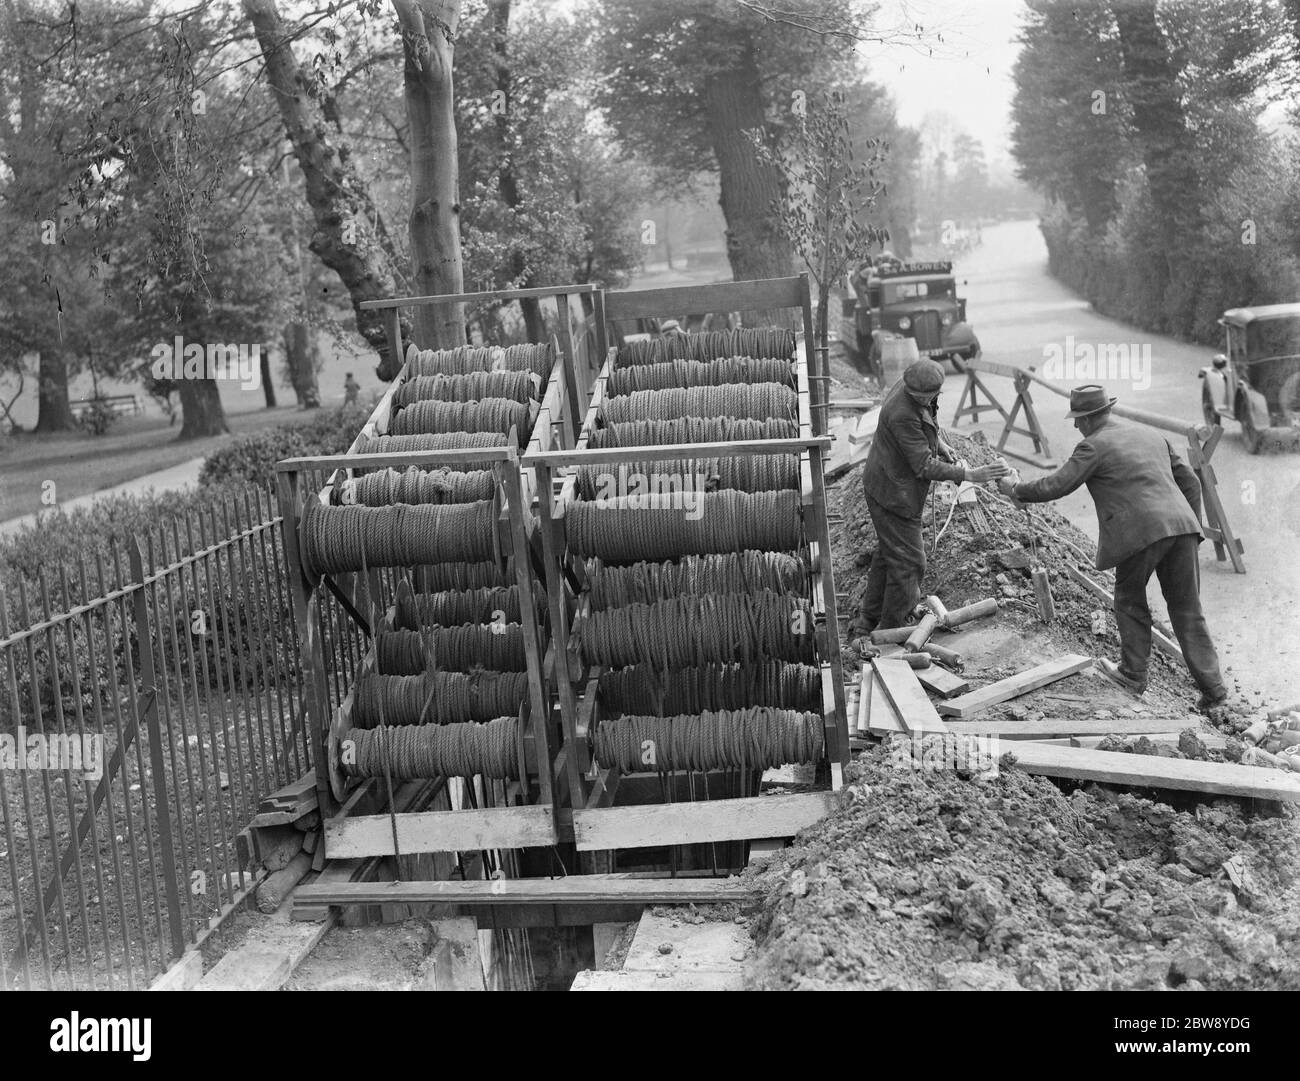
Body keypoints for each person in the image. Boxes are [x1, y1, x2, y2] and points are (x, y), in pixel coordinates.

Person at [997, 384, 1228, 715]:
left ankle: (1133, 676)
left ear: (1088, 419)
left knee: (1130, 600)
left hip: (1140, 532)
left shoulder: (1092, 446)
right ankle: (1215, 691)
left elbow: (1057, 485)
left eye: (1078, 419)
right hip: (1183, 528)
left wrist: (1015, 488)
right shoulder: (1150, 436)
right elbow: (1190, 482)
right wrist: (1189, 525)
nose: (1076, 426)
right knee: (1188, 609)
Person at [859, 358, 1008, 631]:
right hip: (893, 494)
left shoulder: (910, 385)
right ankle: (890, 632)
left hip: (886, 483)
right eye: (921, 398)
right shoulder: (902, 411)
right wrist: (969, 475)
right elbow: (923, 465)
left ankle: (867, 623)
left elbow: (925, 419)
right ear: (915, 391)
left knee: (889, 555)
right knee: (910, 563)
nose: (925, 400)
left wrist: (936, 441)